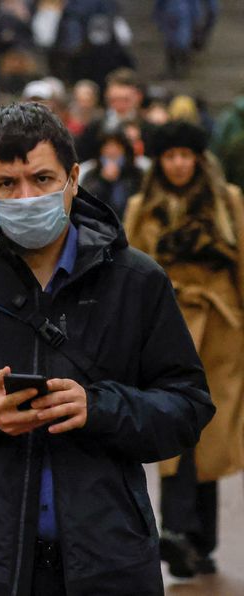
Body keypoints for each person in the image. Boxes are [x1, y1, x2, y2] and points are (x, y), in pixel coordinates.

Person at [0, 102, 213, 595]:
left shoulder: (136, 281)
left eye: (42, 178)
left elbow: (188, 407)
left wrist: (99, 407)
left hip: (108, 561)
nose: (26, 196)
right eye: (8, 184)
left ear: (73, 178)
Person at [123, 120, 244, 578]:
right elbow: (127, 272)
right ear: (159, 161)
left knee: (208, 435)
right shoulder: (141, 207)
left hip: (220, 327)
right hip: (166, 325)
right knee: (172, 428)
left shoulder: (228, 201)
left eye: (185, 155)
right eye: (169, 156)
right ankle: (175, 532)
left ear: (197, 158)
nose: (177, 164)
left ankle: (200, 540)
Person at [76, 67, 149, 163]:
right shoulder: (95, 127)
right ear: (107, 97)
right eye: (114, 100)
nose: (120, 105)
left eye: (125, 100)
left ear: (138, 97)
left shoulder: (147, 127)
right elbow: (82, 157)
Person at [79, 128, 145, 220]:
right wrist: (103, 181)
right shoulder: (91, 174)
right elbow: (86, 204)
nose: (112, 151)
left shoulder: (136, 174)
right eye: (107, 147)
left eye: (117, 147)